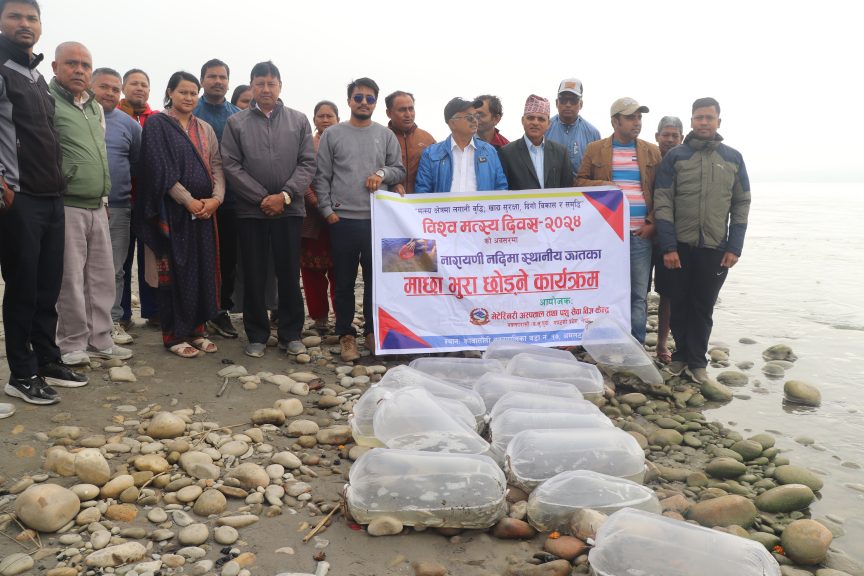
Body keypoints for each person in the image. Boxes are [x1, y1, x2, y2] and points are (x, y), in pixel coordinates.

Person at [0, 0, 87, 406]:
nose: (25, 23)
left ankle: (47, 358)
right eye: (15, 16)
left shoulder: (35, 77)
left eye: (32, 18)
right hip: (19, 198)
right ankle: (21, 373)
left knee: (48, 285)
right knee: (23, 288)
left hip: (52, 197)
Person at [221, 61, 316, 359]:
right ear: (251, 86)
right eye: (260, 83)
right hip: (252, 212)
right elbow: (231, 164)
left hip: (290, 209)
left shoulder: (299, 120)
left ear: (280, 87)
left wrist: (284, 196)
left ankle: (291, 333)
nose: (266, 89)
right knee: (254, 273)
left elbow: (307, 163)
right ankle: (257, 334)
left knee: (288, 273)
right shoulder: (236, 123)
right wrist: (262, 198)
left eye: (271, 84)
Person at [654, 97, 751, 384]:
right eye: (699, 117)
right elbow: (663, 201)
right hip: (679, 246)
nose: (704, 122)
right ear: (692, 121)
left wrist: (735, 246)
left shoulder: (733, 158)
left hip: (715, 247)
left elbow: (741, 203)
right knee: (679, 304)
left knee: (703, 306)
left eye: (709, 117)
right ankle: (680, 356)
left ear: (718, 121)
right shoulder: (676, 157)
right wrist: (668, 246)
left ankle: (697, 363)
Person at [50, 42, 133, 368]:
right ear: (55, 67)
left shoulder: (94, 108)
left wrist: (104, 198)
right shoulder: (48, 101)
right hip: (66, 202)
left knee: (101, 276)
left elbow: (98, 154)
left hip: (98, 204)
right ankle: (71, 342)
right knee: (70, 278)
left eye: (85, 65)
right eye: (72, 63)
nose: (79, 70)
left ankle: (100, 339)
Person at [314, 77, 405, 362]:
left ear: (375, 103)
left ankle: (372, 331)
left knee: (376, 281)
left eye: (369, 98)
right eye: (358, 97)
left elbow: (398, 169)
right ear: (349, 101)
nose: (364, 102)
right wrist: (327, 211)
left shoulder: (385, 135)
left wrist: (382, 174)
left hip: (378, 220)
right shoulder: (333, 135)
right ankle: (346, 334)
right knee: (343, 281)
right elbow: (322, 176)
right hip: (342, 220)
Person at [135, 71, 225, 358]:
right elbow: (158, 169)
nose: (188, 97)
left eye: (193, 93)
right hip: (172, 211)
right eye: (183, 92)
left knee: (202, 270)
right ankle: (174, 335)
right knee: (175, 273)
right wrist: (187, 201)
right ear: (170, 92)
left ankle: (197, 330)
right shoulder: (157, 124)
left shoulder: (205, 128)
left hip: (205, 212)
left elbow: (217, 165)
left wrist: (216, 199)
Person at [577, 97, 661, 345]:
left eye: (639, 117)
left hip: (639, 235)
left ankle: (637, 345)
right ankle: (605, 343)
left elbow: (662, 191)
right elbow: (579, 182)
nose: (637, 122)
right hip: (607, 237)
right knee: (605, 291)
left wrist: (652, 222)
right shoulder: (595, 149)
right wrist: (602, 184)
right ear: (615, 121)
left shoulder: (652, 151)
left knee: (638, 294)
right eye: (631, 117)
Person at [91, 67, 141, 347]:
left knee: (114, 269)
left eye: (114, 89)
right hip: (78, 205)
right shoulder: (77, 116)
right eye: (103, 87)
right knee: (76, 268)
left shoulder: (130, 125)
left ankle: (111, 322)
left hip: (119, 207)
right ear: (91, 86)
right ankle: (80, 324)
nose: (109, 93)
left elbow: (136, 162)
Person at [193, 58, 241, 340]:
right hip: (193, 201)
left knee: (227, 259)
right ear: (202, 81)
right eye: (212, 76)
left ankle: (221, 310)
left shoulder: (237, 116)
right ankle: (194, 309)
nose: (218, 81)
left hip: (231, 201)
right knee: (195, 257)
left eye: (222, 77)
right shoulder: (190, 110)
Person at [118, 68, 159, 328]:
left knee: (151, 259)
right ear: (124, 87)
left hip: (150, 202)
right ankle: (121, 314)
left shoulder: (157, 119)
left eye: (144, 84)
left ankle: (154, 312)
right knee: (121, 259)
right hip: (122, 199)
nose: (139, 88)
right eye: (134, 83)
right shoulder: (110, 115)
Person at [414, 97, 508, 193]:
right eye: (469, 117)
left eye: (476, 116)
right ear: (452, 123)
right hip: (444, 204)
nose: (475, 121)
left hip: (481, 204)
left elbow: (501, 188)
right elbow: (422, 192)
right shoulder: (430, 154)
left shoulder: (490, 152)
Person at [302, 101, 339, 333]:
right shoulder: (306, 144)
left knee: (340, 271)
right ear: (314, 119)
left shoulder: (344, 142)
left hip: (341, 216)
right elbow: (302, 176)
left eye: (329, 116)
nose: (325, 119)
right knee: (311, 270)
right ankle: (319, 318)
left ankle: (342, 317)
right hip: (311, 218)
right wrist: (318, 203)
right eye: (320, 116)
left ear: (338, 119)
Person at [652, 116, 684, 363]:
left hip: (670, 239)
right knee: (637, 291)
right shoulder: (647, 159)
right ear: (657, 136)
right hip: (643, 233)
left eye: (675, 135)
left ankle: (662, 344)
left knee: (668, 294)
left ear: (681, 138)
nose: (670, 139)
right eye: (666, 135)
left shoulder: (684, 163)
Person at [498, 94, 572, 190]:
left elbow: (567, 188)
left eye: (541, 119)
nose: (535, 123)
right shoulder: (507, 153)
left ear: (548, 124)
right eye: (530, 118)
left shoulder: (560, 153)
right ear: (523, 121)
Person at [546, 78, 601, 178]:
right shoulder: (545, 129)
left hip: (581, 187)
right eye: (563, 100)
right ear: (557, 103)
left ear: (581, 104)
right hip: (550, 187)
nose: (568, 104)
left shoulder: (593, 133)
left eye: (573, 100)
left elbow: (597, 171)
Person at [385, 90, 435, 194]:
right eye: (402, 110)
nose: (408, 114)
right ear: (388, 113)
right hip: (389, 200)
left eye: (411, 109)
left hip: (421, 201)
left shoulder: (428, 139)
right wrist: (392, 186)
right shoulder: (381, 138)